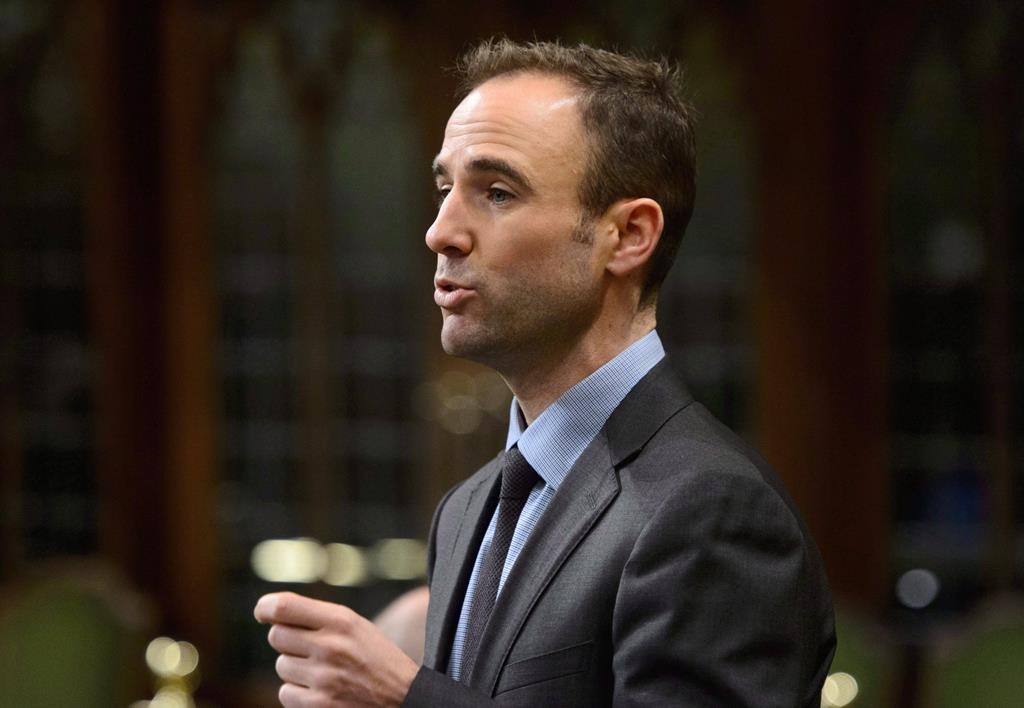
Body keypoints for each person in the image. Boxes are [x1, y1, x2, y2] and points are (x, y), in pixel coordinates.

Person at [255, 38, 835, 707]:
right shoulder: (465, 510)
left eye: (497, 193)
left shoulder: (712, 509)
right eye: (444, 189)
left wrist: (405, 697)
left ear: (629, 236)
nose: (441, 232)